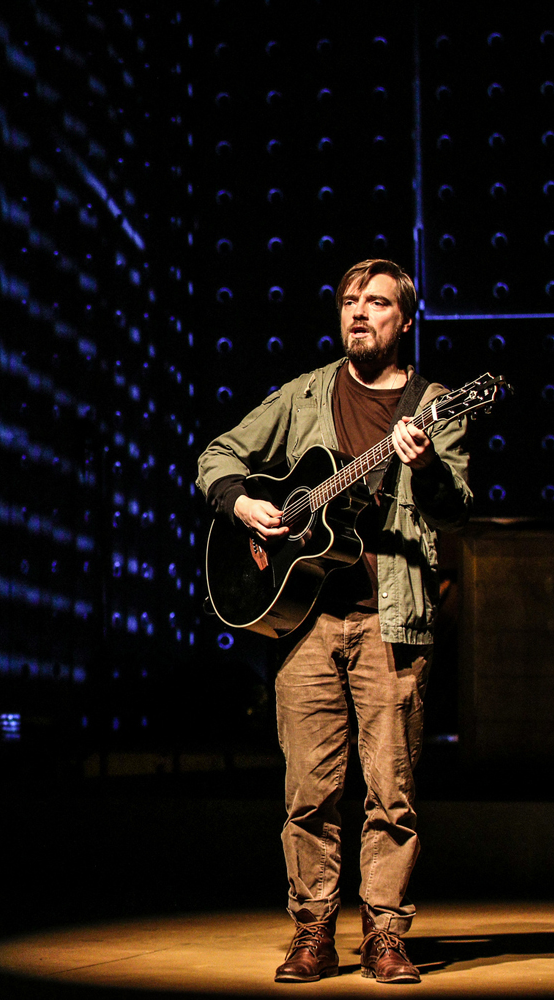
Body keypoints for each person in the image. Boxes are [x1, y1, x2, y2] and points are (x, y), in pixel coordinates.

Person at [196, 259, 472, 984]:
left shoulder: (434, 404)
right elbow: (218, 454)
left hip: (391, 622)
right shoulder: (307, 392)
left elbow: (455, 510)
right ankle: (313, 931)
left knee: (391, 792)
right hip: (305, 620)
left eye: (376, 302)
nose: (359, 312)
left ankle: (385, 934)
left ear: (404, 320)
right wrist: (242, 503)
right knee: (308, 791)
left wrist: (426, 467)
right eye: (350, 300)